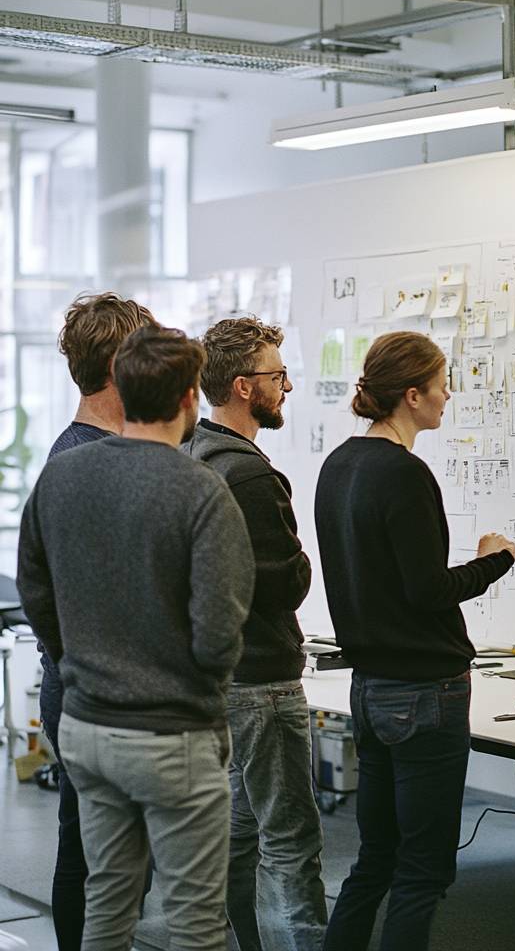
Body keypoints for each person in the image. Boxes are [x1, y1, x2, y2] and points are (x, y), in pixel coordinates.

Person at [17, 325, 255, 951]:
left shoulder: (61, 476)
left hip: (87, 729)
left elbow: (34, 590)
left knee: (107, 910)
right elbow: (218, 633)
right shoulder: (202, 489)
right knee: (196, 922)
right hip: (172, 734)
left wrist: (78, 661)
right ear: (188, 401)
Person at [314, 330, 515, 951]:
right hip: (425, 693)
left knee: (375, 856)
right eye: (440, 384)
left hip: (370, 690)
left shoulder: (338, 464)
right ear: (411, 395)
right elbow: (427, 591)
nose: (448, 395)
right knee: (423, 869)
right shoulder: (403, 474)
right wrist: (495, 560)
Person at [183, 315, 326, 951]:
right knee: (290, 841)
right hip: (264, 681)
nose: (287, 386)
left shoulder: (190, 454)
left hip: (216, 680)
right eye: (277, 375)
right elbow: (285, 582)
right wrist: (301, 562)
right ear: (244, 387)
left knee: (239, 837)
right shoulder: (248, 475)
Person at [41, 292, 155, 951]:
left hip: (89, 686)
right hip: (98, 692)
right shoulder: (87, 461)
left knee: (90, 851)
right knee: (102, 863)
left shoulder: (85, 453)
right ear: (117, 366)